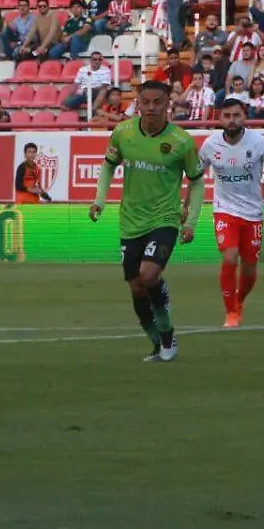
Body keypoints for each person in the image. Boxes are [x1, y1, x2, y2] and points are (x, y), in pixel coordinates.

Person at [88, 80, 205, 362]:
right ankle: (159, 340)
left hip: (165, 218)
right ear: (137, 103)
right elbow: (108, 166)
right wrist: (99, 200)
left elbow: (197, 181)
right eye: (145, 102)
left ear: (168, 104)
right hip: (130, 221)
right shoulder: (123, 132)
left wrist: (191, 222)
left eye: (158, 102)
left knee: (149, 275)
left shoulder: (181, 142)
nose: (151, 108)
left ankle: (165, 327)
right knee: (136, 286)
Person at [199, 98, 264, 329]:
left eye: (236, 115)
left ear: (244, 117)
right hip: (224, 209)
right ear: (219, 119)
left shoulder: (259, 142)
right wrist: (187, 203)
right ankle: (230, 313)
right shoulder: (210, 144)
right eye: (226, 116)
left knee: (249, 266)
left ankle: (239, 302)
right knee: (230, 256)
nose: (232, 120)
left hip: (253, 212)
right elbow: (196, 173)